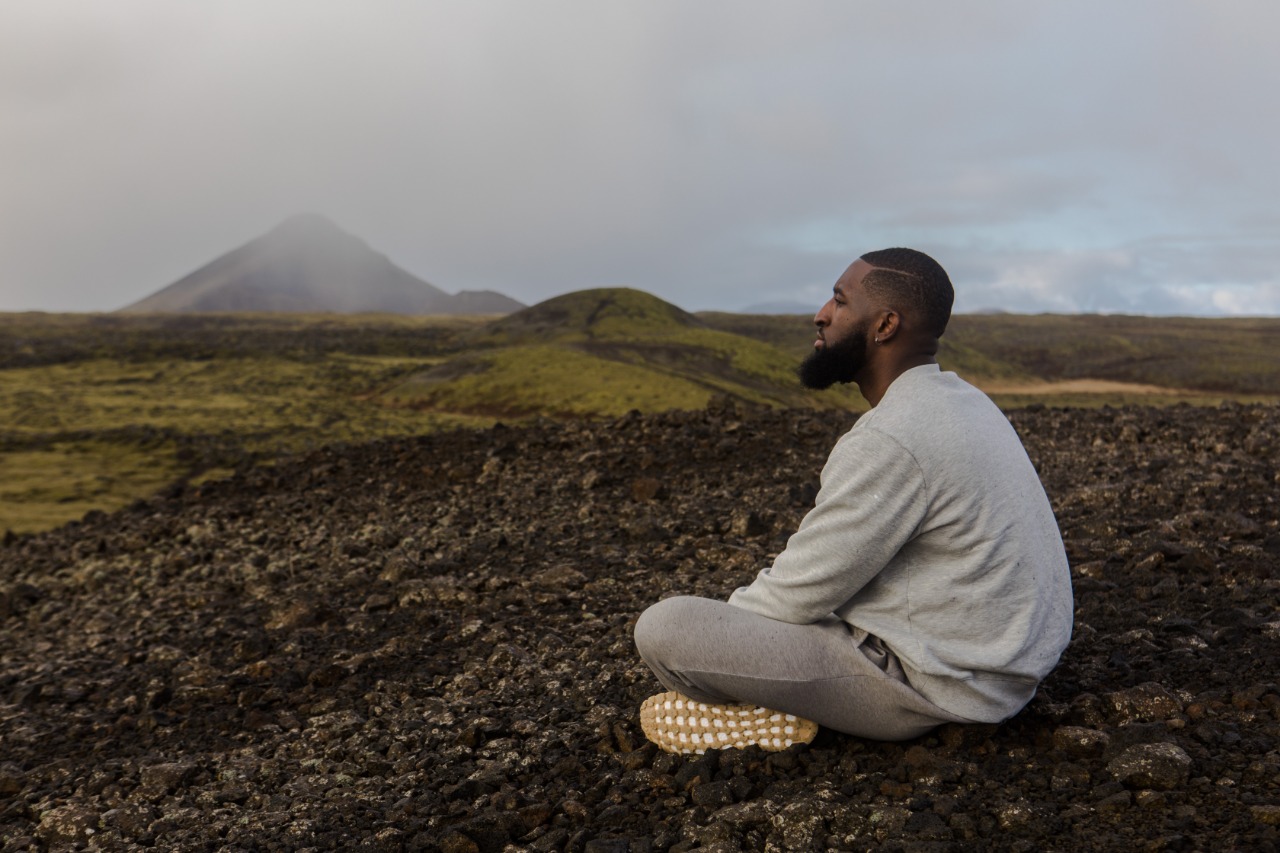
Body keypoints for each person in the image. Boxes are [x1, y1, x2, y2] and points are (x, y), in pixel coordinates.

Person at [633, 248, 1073, 754]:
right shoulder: (966, 402)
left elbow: (794, 596)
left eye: (840, 302)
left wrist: (727, 641)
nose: (821, 313)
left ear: (884, 325)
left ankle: (765, 714)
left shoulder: (893, 437)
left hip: (936, 687)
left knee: (666, 629)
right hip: (1005, 670)